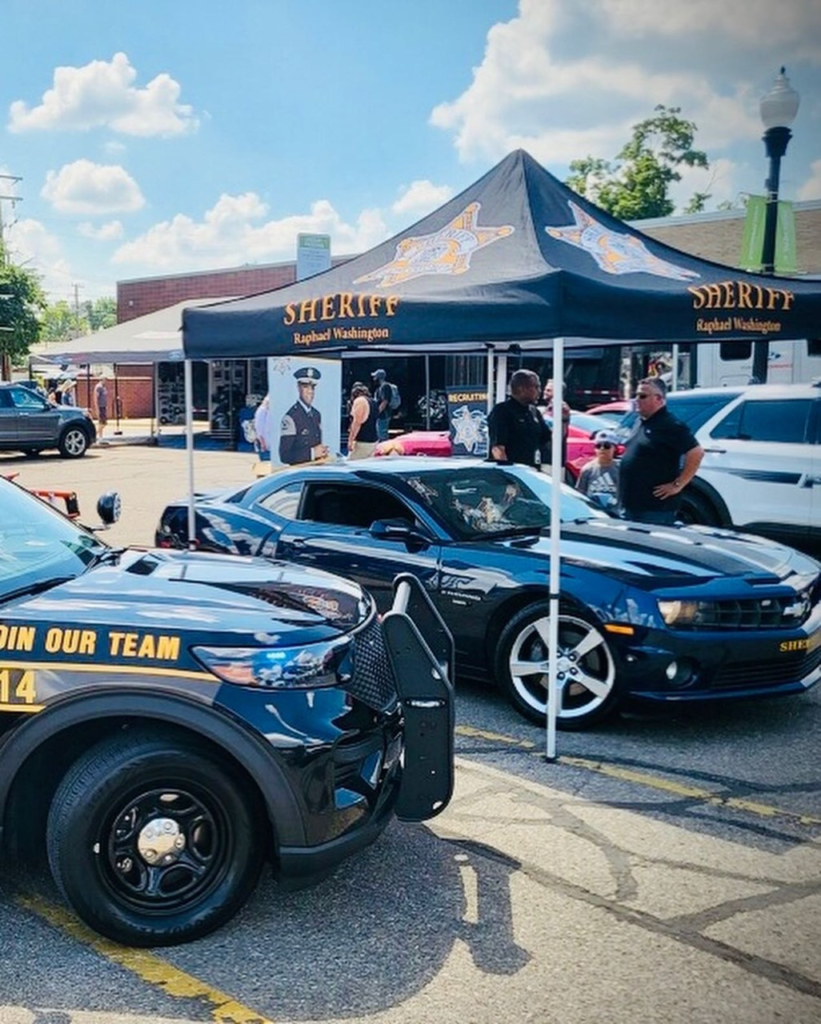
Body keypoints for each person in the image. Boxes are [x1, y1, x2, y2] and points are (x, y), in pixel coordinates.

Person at [618, 377, 704, 525]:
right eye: (636, 395)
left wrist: (678, 485)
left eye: (642, 396)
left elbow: (696, 452)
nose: (637, 400)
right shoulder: (640, 422)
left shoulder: (670, 424)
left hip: (654, 510)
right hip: (630, 506)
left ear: (658, 399)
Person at [487, 368, 552, 469]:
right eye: (536, 387)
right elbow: (498, 449)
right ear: (522, 389)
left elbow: (547, 440)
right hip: (512, 473)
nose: (539, 391)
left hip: (531, 471)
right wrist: (509, 473)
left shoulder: (534, 412)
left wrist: (564, 421)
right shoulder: (502, 411)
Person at [279, 367, 330, 464]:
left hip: (315, 468)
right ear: (298, 388)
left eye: (312, 387)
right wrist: (312, 453)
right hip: (299, 470)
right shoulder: (291, 417)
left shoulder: (316, 414)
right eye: (306, 387)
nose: (310, 391)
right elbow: (284, 456)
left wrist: (322, 452)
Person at [576, 429, 620, 510]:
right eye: (598, 446)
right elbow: (580, 494)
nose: (602, 449)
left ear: (615, 448)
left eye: (607, 446)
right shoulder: (588, 469)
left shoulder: (620, 469)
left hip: (615, 512)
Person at [347, 382, 379, 459]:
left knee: (353, 463)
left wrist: (350, 440)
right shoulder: (373, 402)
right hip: (373, 440)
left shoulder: (360, 401)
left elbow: (357, 423)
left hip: (362, 442)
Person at [371, 368, 396, 442]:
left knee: (382, 435)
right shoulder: (380, 387)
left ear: (378, 377)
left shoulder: (385, 386)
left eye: (375, 376)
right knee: (379, 434)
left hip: (384, 415)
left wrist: (377, 412)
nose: (373, 378)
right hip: (381, 415)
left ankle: (385, 448)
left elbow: (385, 401)